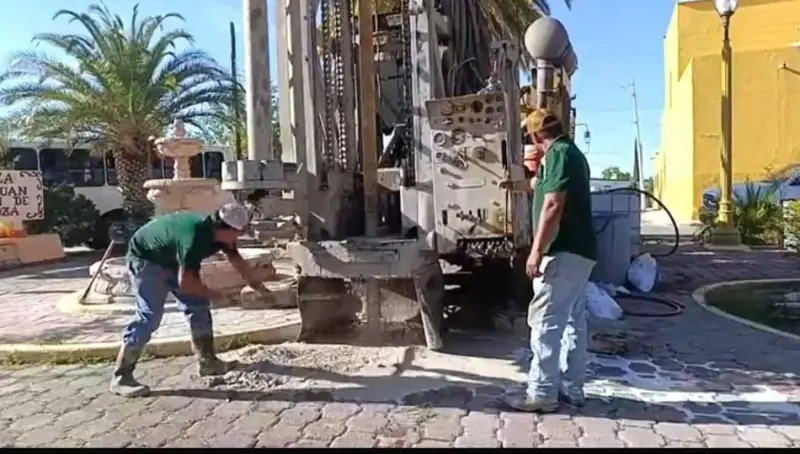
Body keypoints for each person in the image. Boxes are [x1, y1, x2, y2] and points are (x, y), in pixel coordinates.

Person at [109, 203, 274, 398]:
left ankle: (208, 363)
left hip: (171, 257)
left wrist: (261, 290)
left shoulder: (222, 235)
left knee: (198, 306)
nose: (239, 237)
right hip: (147, 259)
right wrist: (217, 295)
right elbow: (186, 283)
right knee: (149, 317)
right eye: (239, 233)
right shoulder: (194, 237)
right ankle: (122, 377)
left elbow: (238, 262)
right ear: (223, 228)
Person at [501, 108, 597, 413]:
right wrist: (515, 186)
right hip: (581, 254)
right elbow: (540, 186)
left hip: (561, 253)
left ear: (536, 135)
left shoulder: (557, 154)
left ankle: (541, 393)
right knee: (572, 322)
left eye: (532, 139)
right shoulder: (572, 154)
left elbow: (553, 203)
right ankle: (573, 388)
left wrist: (536, 251)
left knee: (544, 323)